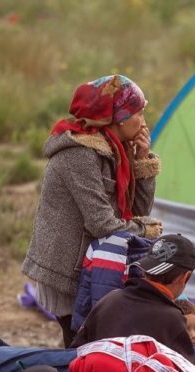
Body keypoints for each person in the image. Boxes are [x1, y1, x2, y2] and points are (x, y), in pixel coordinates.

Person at [22, 74, 164, 347]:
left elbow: (136, 211)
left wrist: (142, 162)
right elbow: (103, 224)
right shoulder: (80, 154)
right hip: (67, 269)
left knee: (96, 342)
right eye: (138, 112)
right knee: (82, 343)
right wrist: (145, 230)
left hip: (95, 261)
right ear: (119, 117)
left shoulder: (116, 148)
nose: (144, 121)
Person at [71, 234, 195, 364]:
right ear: (185, 277)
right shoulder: (172, 319)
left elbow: (77, 350)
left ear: (145, 269)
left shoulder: (109, 299)